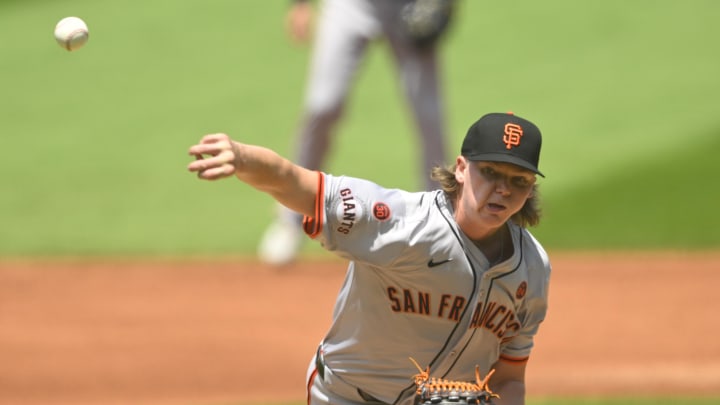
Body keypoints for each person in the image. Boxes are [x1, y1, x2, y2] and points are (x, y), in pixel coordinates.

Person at [187, 111, 551, 405]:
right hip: (345, 398)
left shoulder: (532, 266)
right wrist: (240, 156)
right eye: (490, 172)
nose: (503, 189)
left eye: (519, 180)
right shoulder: (401, 223)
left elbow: (508, 377)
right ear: (461, 168)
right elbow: (295, 182)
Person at [259, 0, 456, 265]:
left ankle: (441, 222)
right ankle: (291, 218)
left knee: (429, 117)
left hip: (408, 6)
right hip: (350, 6)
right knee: (322, 105)